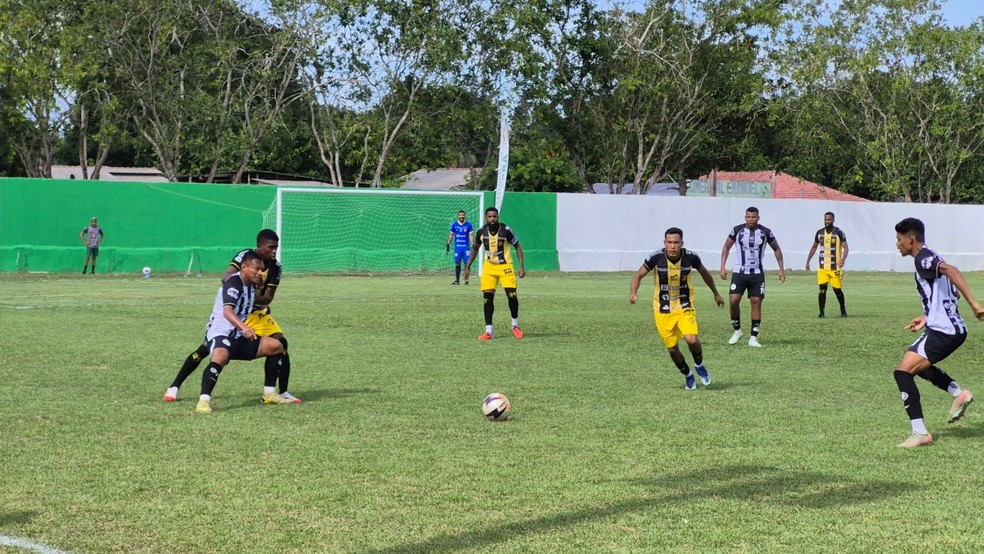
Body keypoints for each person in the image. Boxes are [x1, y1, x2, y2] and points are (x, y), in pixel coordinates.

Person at [165, 229, 299, 405]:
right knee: (205, 350)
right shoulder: (245, 258)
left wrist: (251, 295)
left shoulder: (275, 267)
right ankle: (175, 386)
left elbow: (268, 297)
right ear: (260, 247)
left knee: (281, 344)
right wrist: (242, 293)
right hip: (235, 313)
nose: (274, 251)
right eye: (271, 247)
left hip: (255, 313)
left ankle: (281, 391)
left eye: (276, 247)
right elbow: (227, 278)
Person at [891, 217, 981, 447]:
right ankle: (957, 393)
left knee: (903, 372)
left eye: (899, 239)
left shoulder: (923, 258)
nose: (897, 243)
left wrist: (974, 304)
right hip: (948, 328)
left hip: (944, 331)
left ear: (910, 239)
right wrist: (927, 316)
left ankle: (920, 433)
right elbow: (949, 292)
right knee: (918, 366)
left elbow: (953, 270)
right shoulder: (930, 255)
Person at [630, 227, 724, 390]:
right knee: (673, 348)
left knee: (692, 339)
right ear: (664, 243)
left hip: (685, 305)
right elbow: (638, 275)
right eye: (669, 242)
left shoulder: (691, 257)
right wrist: (633, 293)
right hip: (663, 309)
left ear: (682, 243)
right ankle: (688, 375)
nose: (673, 246)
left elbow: (705, 274)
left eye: (676, 242)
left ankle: (699, 365)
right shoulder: (655, 258)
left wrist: (716, 293)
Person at [194, 250, 286, 413]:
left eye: (261, 270)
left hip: (237, 336)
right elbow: (227, 312)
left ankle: (269, 394)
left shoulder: (250, 286)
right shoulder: (234, 282)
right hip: (220, 333)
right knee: (220, 356)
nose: (260, 273)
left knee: (276, 346)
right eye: (256, 269)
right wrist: (245, 327)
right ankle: (203, 401)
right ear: (243, 267)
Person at [719, 206, 785, 347]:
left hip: (757, 273)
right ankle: (737, 331)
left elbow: (777, 249)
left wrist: (781, 269)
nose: (751, 219)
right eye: (748, 217)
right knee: (733, 300)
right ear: (745, 217)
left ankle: (753, 338)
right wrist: (722, 267)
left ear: (758, 218)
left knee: (756, 303)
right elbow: (726, 247)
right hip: (739, 272)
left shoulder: (765, 232)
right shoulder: (737, 230)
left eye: (753, 217)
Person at [463, 207, 525, 340]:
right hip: (489, 268)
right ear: (486, 218)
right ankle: (488, 331)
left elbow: (518, 246)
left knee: (512, 295)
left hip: (505, 266)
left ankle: (515, 325)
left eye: (495, 216)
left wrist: (521, 266)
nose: (492, 219)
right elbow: (475, 249)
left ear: (498, 217)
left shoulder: (506, 230)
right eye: (490, 217)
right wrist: (467, 266)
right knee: (487, 299)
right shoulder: (481, 231)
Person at [805, 211, 849, 318]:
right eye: (825, 219)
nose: (827, 221)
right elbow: (814, 247)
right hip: (822, 268)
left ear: (833, 220)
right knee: (822, 290)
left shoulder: (839, 232)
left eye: (829, 219)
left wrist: (843, 259)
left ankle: (843, 309)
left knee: (837, 290)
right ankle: (821, 312)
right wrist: (808, 261)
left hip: (835, 268)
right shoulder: (819, 233)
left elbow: (846, 247)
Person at [446, 210, 474, 285]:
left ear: (465, 216)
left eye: (463, 215)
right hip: (458, 248)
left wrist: (472, 245)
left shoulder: (468, 224)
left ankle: (466, 280)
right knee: (457, 263)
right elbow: (451, 235)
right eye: (460, 215)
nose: (461, 216)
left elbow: (471, 235)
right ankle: (457, 281)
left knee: (467, 264)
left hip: (466, 248)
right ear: (458, 216)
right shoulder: (454, 224)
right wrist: (448, 244)